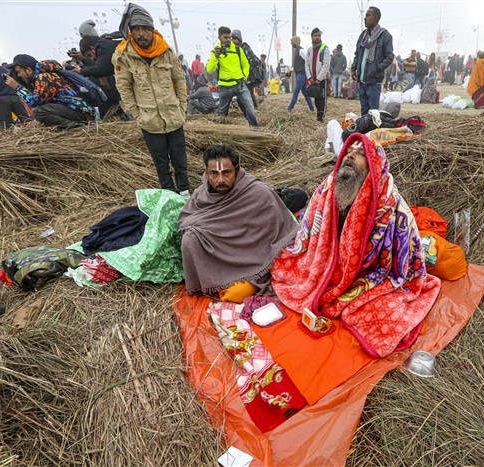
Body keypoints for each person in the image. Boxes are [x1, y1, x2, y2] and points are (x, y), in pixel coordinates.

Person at [271, 134, 441, 358]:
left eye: (361, 154)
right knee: (289, 273)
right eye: (350, 151)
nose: (351, 155)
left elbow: (405, 256)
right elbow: (309, 234)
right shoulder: (328, 189)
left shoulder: (389, 205)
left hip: (371, 275)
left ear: (373, 164)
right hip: (331, 266)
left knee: (387, 317)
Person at [178, 143, 298, 302]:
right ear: (206, 173)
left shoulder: (258, 193)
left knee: (236, 294)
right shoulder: (202, 194)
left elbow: (275, 230)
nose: (220, 179)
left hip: (252, 258)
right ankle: (211, 280)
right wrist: (209, 232)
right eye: (214, 174)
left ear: (237, 169)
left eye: (227, 173)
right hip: (218, 255)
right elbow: (186, 219)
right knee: (190, 239)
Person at [113, 3, 190, 195]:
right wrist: (138, 115)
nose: (141, 34)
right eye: (136, 29)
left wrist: (182, 107)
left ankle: (185, 193)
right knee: (161, 164)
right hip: (150, 122)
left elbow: (179, 80)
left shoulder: (165, 51)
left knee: (180, 160)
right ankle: (169, 196)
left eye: (144, 29)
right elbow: (124, 88)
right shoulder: (124, 55)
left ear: (151, 29)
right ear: (131, 31)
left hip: (174, 116)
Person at [4, 54, 95, 129]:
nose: (19, 75)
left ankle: (77, 127)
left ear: (29, 70)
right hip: (79, 111)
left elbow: (34, 102)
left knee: (38, 112)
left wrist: (17, 87)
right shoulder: (43, 75)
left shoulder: (44, 77)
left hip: (82, 113)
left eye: (19, 72)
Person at [206, 26, 258, 127]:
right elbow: (209, 69)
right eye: (225, 37)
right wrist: (216, 57)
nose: (229, 40)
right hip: (225, 86)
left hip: (240, 84)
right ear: (219, 38)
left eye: (230, 37)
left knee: (249, 106)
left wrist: (244, 76)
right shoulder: (215, 52)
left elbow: (245, 64)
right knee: (222, 112)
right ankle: (221, 130)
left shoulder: (238, 50)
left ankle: (255, 128)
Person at [351, 6, 393, 116]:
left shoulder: (384, 35)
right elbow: (357, 54)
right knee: (364, 112)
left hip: (374, 80)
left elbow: (389, 57)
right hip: (362, 80)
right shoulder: (363, 36)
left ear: (376, 18)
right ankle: (365, 133)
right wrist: (353, 68)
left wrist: (377, 68)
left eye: (368, 15)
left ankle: (373, 132)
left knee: (374, 112)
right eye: (365, 15)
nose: (365, 18)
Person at [72, 33, 124, 119]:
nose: (91, 58)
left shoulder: (102, 47)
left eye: (89, 55)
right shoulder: (106, 43)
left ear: (92, 48)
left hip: (108, 92)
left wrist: (81, 70)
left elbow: (99, 69)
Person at [230, 29, 260, 110]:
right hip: (242, 79)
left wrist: (246, 72)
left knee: (244, 99)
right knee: (245, 98)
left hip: (248, 79)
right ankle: (255, 111)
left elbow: (254, 60)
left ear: (239, 39)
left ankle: (254, 113)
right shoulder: (236, 50)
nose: (232, 41)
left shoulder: (245, 48)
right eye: (231, 39)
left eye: (234, 39)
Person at [305, 27, 331, 122]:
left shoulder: (325, 49)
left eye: (318, 35)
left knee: (322, 99)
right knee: (316, 99)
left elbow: (326, 65)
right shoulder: (309, 50)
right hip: (313, 79)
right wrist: (310, 77)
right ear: (312, 37)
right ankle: (318, 115)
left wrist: (319, 78)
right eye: (315, 36)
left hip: (322, 79)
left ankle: (321, 118)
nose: (317, 37)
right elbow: (306, 65)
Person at [287, 35, 314, 112]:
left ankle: (290, 108)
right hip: (299, 74)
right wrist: (291, 70)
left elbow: (308, 60)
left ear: (295, 42)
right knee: (305, 92)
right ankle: (311, 107)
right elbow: (297, 63)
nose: (291, 43)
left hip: (302, 75)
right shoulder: (297, 51)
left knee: (296, 92)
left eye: (291, 42)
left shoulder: (301, 51)